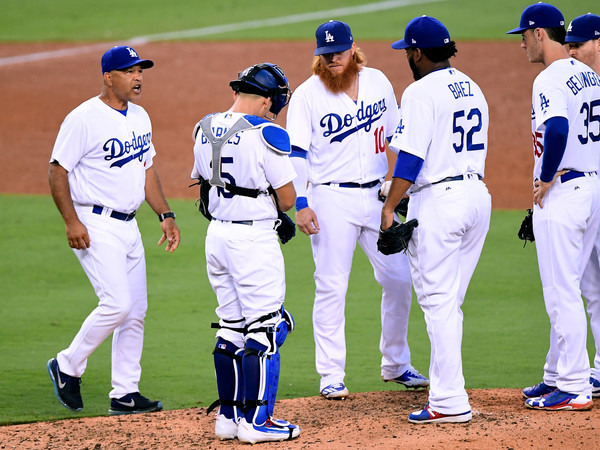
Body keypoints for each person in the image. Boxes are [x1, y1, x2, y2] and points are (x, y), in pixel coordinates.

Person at [285, 19, 429, 400]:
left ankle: (396, 363)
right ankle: (331, 375)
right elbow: (296, 153)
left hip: (378, 197)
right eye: (325, 54)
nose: (332, 60)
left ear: (353, 49)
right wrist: (301, 202)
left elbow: (399, 137)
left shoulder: (378, 82)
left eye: (339, 52)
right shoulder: (307, 96)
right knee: (331, 285)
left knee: (399, 278)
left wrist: (403, 189)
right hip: (330, 199)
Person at [46, 45, 181, 416]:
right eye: (129, 71)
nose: (138, 78)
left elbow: (146, 170)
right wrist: (71, 221)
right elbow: (57, 170)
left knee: (135, 311)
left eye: (140, 71)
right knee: (117, 304)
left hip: (129, 226)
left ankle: (125, 393)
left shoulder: (140, 116)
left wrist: (165, 213)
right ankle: (67, 365)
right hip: (94, 223)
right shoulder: (83, 118)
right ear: (108, 77)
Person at [382, 16, 491, 423]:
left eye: (407, 51)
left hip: (441, 203)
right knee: (449, 302)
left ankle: (448, 401)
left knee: (438, 302)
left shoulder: (419, 91)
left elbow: (411, 158)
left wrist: (390, 206)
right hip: (476, 197)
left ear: (417, 53)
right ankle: (448, 391)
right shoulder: (472, 85)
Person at [191, 63, 300, 444]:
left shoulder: (204, 127)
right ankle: (258, 421)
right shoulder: (268, 133)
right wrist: (273, 211)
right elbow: (288, 199)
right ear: (268, 99)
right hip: (252, 242)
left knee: (231, 327)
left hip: (217, 237)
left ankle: (229, 417)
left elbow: (203, 186)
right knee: (266, 329)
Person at [507, 3, 600, 411]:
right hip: (591, 186)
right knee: (571, 286)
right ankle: (556, 374)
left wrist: (546, 176)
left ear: (540, 34)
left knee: (561, 291)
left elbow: (558, 128)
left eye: (524, 36)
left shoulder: (549, 77)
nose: (522, 44)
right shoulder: (589, 75)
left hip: (565, 191)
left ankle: (575, 385)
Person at [567, 12, 600, 399]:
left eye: (579, 44)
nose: (572, 51)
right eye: (569, 45)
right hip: (589, 194)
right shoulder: (579, 84)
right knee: (591, 286)